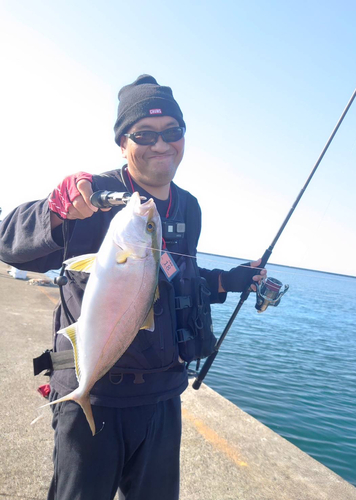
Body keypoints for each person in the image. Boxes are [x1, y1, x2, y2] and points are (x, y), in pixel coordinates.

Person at [0, 75, 266, 500]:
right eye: (144, 134)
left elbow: (176, 276)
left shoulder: (189, 207)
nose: (161, 144)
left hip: (163, 397)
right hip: (96, 394)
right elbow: (8, 244)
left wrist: (226, 281)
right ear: (123, 142)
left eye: (172, 132)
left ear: (183, 137)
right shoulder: (92, 195)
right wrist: (54, 212)